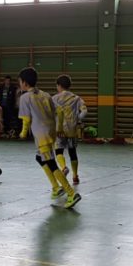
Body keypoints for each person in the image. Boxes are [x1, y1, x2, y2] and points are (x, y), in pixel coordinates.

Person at [18, 67, 80, 209]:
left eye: (20, 81)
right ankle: (56, 187)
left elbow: (26, 119)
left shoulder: (25, 97)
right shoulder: (45, 94)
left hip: (42, 135)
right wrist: (58, 129)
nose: (20, 84)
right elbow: (59, 111)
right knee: (40, 158)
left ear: (25, 83)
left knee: (51, 163)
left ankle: (71, 193)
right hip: (50, 132)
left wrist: (23, 133)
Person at [52, 75, 88, 185]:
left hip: (60, 129)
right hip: (72, 129)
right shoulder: (76, 98)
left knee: (58, 151)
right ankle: (75, 176)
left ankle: (63, 167)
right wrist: (78, 119)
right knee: (72, 152)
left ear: (59, 86)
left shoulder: (55, 98)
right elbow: (85, 111)